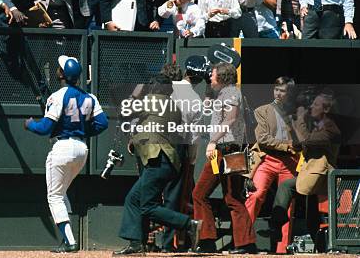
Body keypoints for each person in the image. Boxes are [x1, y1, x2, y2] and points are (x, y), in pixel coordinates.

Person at [24, 55, 108, 253]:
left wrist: (30, 125)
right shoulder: (90, 97)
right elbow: (102, 124)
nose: (57, 69)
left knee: (54, 197)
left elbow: (45, 127)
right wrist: (83, 131)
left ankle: (70, 242)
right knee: (61, 195)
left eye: (59, 68)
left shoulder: (58, 95)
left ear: (62, 74)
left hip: (62, 148)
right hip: (81, 149)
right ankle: (68, 238)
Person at [114, 72, 201, 255]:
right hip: (167, 161)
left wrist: (136, 94)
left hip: (156, 159)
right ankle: (136, 244)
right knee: (134, 198)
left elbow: (123, 112)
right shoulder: (173, 106)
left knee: (148, 206)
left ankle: (189, 224)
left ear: (153, 88)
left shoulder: (150, 101)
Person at [192, 62, 256, 254]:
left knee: (222, 196)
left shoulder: (231, 93)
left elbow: (230, 118)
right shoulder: (224, 93)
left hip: (226, 149)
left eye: (212, 75)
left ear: (222, 76)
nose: (210, 77)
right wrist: (208, 89)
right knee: (221, 195)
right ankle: (237, 242)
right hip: (224, 149)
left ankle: (213, 241)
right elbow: (208, 107)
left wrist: (212, 141)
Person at [269, 90, 341, 249]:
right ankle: (321, 248)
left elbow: (307, 141)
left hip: (322, 176)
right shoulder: (319, 125)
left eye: (316, 105)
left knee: (286, 186)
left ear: (326, 109)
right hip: (313, 174)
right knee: (311, 218)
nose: (311, 107)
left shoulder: (330, 128)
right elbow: (301, 143)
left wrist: (300, 120)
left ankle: (275, 224)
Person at [246, 77, 299, 254]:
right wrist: (286, 145)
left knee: (287, 204)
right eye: (276, 89)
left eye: (282, 90)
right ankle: (244, 241)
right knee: (256, 194)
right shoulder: (263, 111)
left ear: (289, 93)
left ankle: (282, 249)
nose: (278, 93)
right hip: (268, 159)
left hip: (290, 161)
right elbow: (263, 138)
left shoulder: (296, 113)